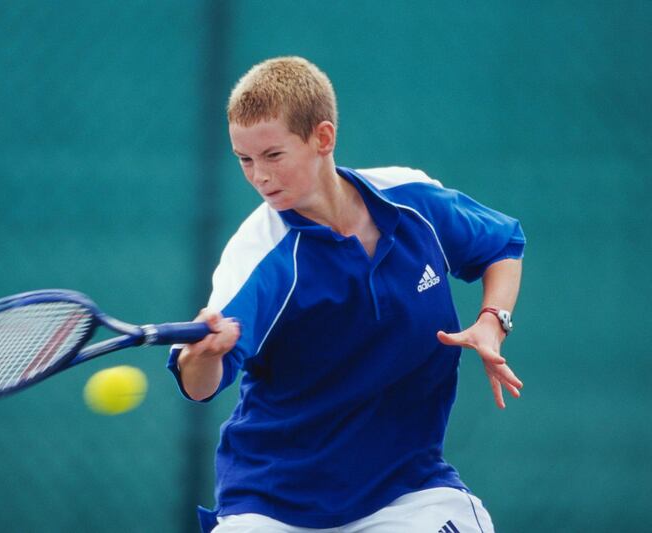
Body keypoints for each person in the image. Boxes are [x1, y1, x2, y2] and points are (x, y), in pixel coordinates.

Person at [167, 56, 525, 533]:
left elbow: (501, 245)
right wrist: (204, 353)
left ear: (323, 138)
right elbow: (199, 384)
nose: (259, 176)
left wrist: (492, 320)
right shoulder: (259, 258)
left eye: (273, 155)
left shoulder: (410, 200)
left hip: (405, 490)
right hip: (273, 504)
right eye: (245, 160)